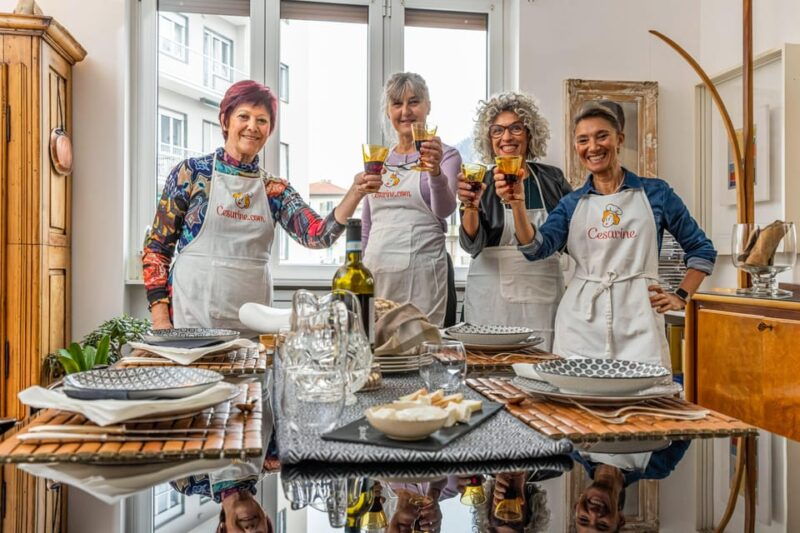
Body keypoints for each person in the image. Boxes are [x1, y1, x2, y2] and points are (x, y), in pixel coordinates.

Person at [143, 80, 380, 332]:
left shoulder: (274, 189)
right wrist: (160, 321)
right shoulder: (190, 174)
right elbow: (156, 249)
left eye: (262, 120)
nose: (252, 127)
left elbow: (318, 235)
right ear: (225, 121)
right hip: (191, 316)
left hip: (253, 322)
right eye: (243, 116)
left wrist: (356, 192)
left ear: (270, 130)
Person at [516, 100, 716, 367]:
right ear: (576, 147)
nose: (593, 147)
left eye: (602, 136)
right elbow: (534, 249)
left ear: (619, 139)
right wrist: (517, 202)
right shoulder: (571, 204)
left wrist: (680, 296)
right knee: (576, 400)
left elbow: (701, 249)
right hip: (580, 320)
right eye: (583, 140)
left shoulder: (657, 193)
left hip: (640, 318)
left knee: (645, 399)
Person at [458, 92, 572, 350]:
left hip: (542, 299)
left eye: (516, 128)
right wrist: (471, 207)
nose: (506, 137)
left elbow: (568, 238)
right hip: (490, 298)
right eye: (497, 130)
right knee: (490, 373)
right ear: (489, 139)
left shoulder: (552, 180)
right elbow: (472, 246)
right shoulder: (478, 181)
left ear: (530, 134)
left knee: (541, 367)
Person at [361, 72, 461, 327]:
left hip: (423, 277)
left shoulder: (446, 155)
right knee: (377, 352)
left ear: (428, 106)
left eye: (414, 102)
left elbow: (445, 210)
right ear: (388, 111)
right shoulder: (378, 159)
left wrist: (434, 170)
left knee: (422, 348)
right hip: (378, 275)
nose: (405, 111)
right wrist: (359, 271)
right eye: (397, 104)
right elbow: (367, 225)